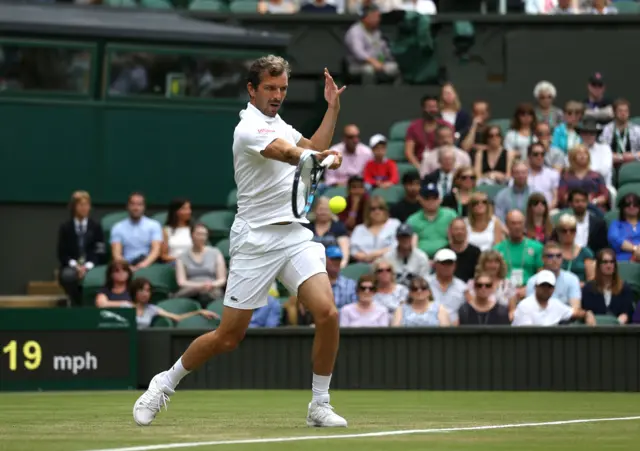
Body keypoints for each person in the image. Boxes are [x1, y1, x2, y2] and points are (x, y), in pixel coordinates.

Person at [133, 56, 348, 428]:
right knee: (228, 337)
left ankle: (319, 404)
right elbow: (290, 153)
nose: (277, 95)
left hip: (294, 235)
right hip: (255, 241)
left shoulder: (278, 122)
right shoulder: (249, 128)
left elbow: (312, 145)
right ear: (252, 89)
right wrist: (317, 158)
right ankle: (162, 384)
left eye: (282, 88)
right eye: (270, 88)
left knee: (327, 313)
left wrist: (332, 109)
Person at [57, 190, 105, 306]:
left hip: (92, 265)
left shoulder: (96, 227)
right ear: (73, 207)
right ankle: (75, 303)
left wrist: (87, 266)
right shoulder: (65, 228)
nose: (84, 208)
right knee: (67, 276)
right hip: (72, 266)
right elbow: (62, 253)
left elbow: (100, 251)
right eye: (80, 205)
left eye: (86, 205)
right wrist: (76, 266)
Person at [123, 278, 217, 329]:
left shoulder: (152, 309)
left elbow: (178, 318)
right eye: (141, 290)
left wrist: (199, 312)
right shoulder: (125, 307)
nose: (145, 294)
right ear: (134, 292)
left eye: (147, 291)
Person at [512, 270, 596, 326]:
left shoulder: (556, 304)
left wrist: (587, 313)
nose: (546, 289)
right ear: (535, 287)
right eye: (542, 286)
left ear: (553, 289)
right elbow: (526, 336)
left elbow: (575, 312)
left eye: (549, 286)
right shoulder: (524, 306)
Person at [174, 223, 227, 306]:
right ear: (191, 235)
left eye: (204, 235)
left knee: (209, 296)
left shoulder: (215, 253)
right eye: (198, 234)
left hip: (211, 288)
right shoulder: (182, 256)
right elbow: (181, 282)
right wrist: (200, 286)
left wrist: (211, 285)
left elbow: (222, 279)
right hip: (190, 289)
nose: (202, 237)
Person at [581, 249, 635, 324]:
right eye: (605, 262)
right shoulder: (588, 288)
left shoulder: (624, 288)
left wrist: (618, 323)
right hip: (594, 330)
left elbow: (627, 313)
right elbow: (587, 311)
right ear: (599, 265)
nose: (609, 265)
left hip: (619, 330)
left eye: (612, 262)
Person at [160, 198, 193, 263]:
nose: (189, 211)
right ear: (176, 211)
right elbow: (163, 256)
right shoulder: (166, 230)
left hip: (192, 263)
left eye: (189, 208)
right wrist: (180, 259)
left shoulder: (194, 229)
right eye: (184, 209)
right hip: (174, 263)